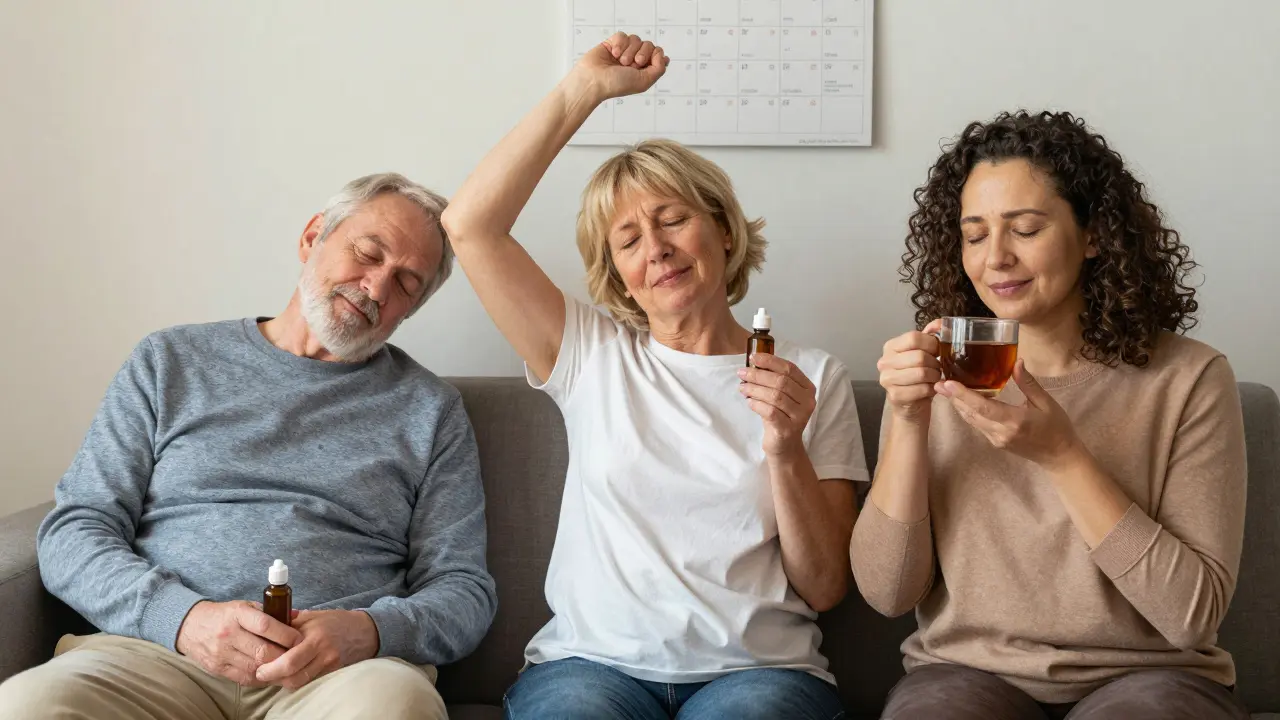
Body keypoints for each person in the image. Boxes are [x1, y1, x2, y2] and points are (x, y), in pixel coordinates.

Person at [441, 32, 866, 720]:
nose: (658, 248)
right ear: (619, 275)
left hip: (759, 673)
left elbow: (823, 588)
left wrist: (785, 448)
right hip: (591, 669)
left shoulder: (812, 375)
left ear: (724, 231)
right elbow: (469, 226)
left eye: (673, 219)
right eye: (630, 239)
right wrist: (583, 92)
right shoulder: (588, 353)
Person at [0, 173, 498, 720]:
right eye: (368, 253)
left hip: (339, 679)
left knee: (395, 707)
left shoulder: (431, 410)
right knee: (30, 705)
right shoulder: (170, 361)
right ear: (312, 237)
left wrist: (371, 632)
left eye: (406, 283)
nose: (376, 288)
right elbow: (74, 531)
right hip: (154, 657)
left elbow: (464, 590)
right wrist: (181, 618)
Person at [851, 111, 1249, 720]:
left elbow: (1191, 616)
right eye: (975, 233)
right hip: (967, 673)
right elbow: (887, 593)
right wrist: (908, 421)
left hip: (1153, 680)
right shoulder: (935, 374)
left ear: (1094, 235)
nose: (996, 258)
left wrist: (1063, 457)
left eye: (1026, 229)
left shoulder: (1190, 379)